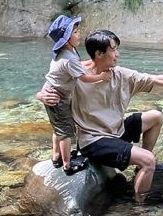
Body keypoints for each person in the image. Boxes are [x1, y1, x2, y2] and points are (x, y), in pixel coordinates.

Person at [39, 29, 163, 205]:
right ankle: (138, 204)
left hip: (117, 131)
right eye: (113, 49)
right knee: (149, 161)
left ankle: (142, 167)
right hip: (94, 141)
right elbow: (49, 87)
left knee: (155, 116)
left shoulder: (122, 74)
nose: (117, 54)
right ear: (99, 53)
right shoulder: (77, 76)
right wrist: (41, 96)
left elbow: (158, 80)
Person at [41, 14, 111, 174]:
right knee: (66, 132)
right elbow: (84, 78)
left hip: (53, 92)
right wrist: (101, 76)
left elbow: (76, 66)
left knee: (58, 129)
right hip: (57, 98)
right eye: (75, 32)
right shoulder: (69, 58)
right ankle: (67, 165)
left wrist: (91, 63)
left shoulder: (64, 53)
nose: (79, 34)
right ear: (66, 39)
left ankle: (56, 156)